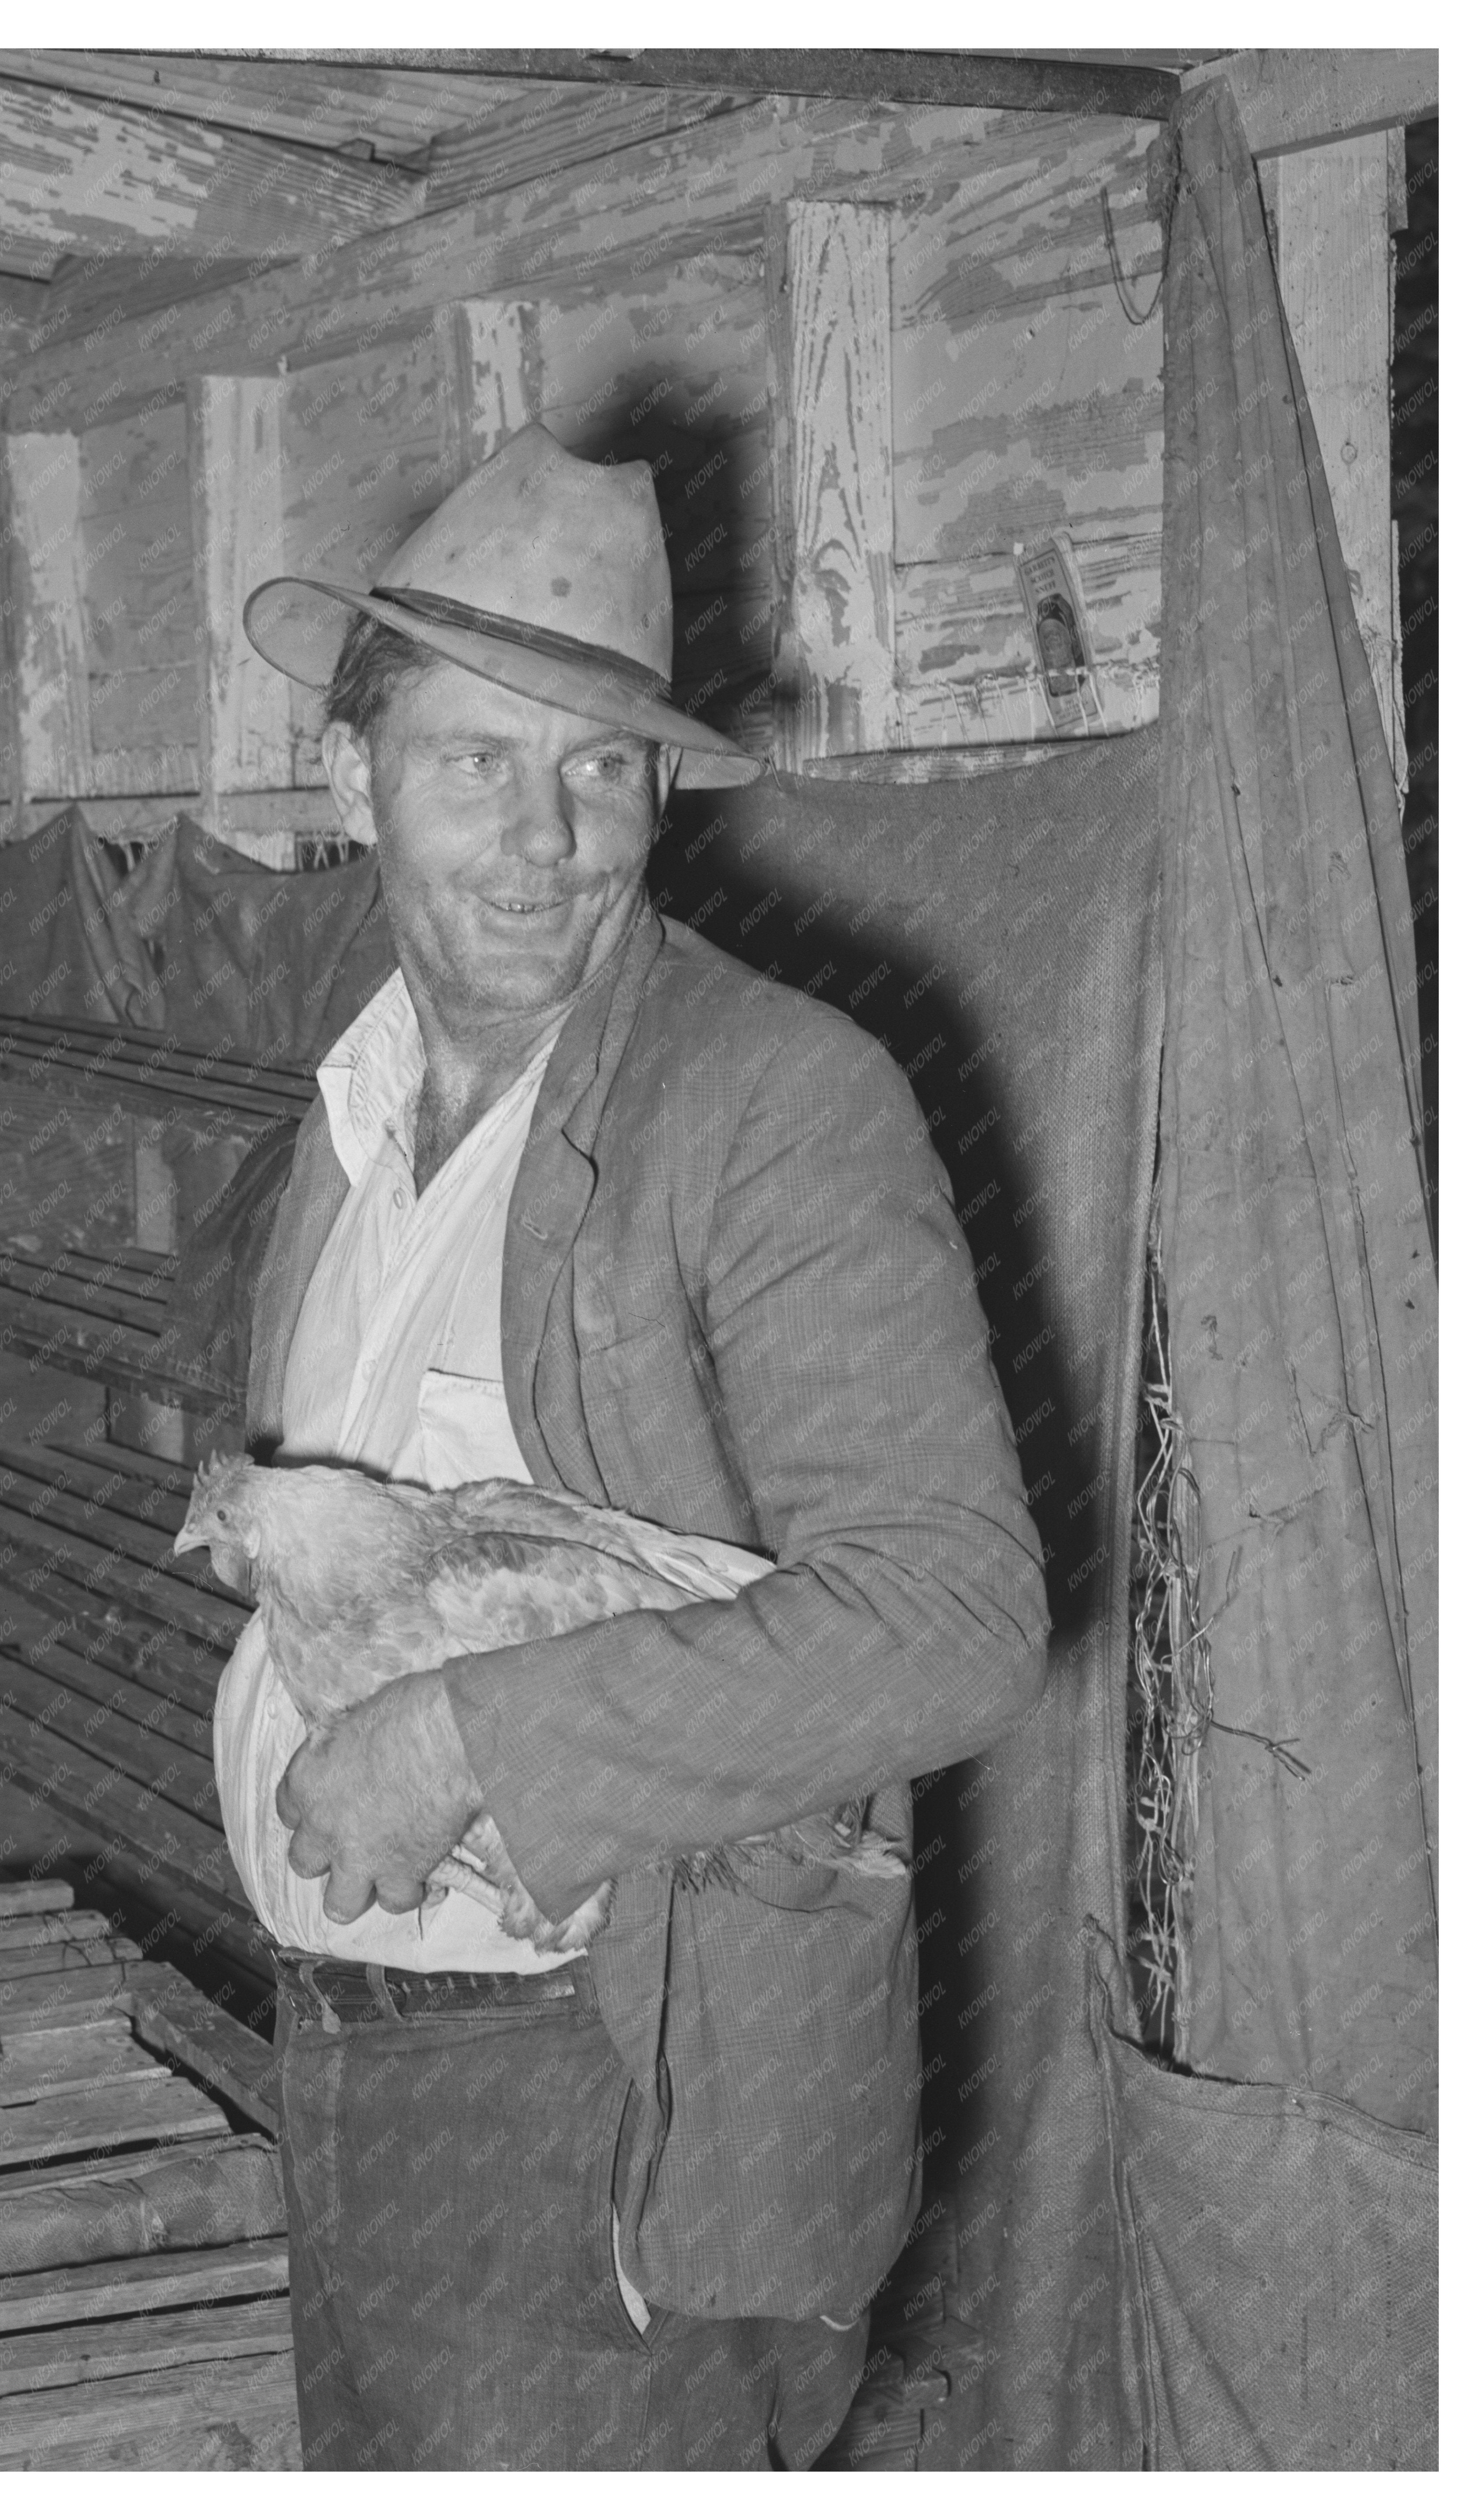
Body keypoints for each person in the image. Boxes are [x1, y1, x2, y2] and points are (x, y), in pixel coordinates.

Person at [212, 423, 1049, 2468]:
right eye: (473, 762)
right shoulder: (328, 1130)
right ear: (352, 784)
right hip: (340, 2063)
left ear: (660, 790)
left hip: (608, 2106)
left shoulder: (770, 1102)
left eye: (601, 767)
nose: (544, 836)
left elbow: (954, 1621)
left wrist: (466, 1747)